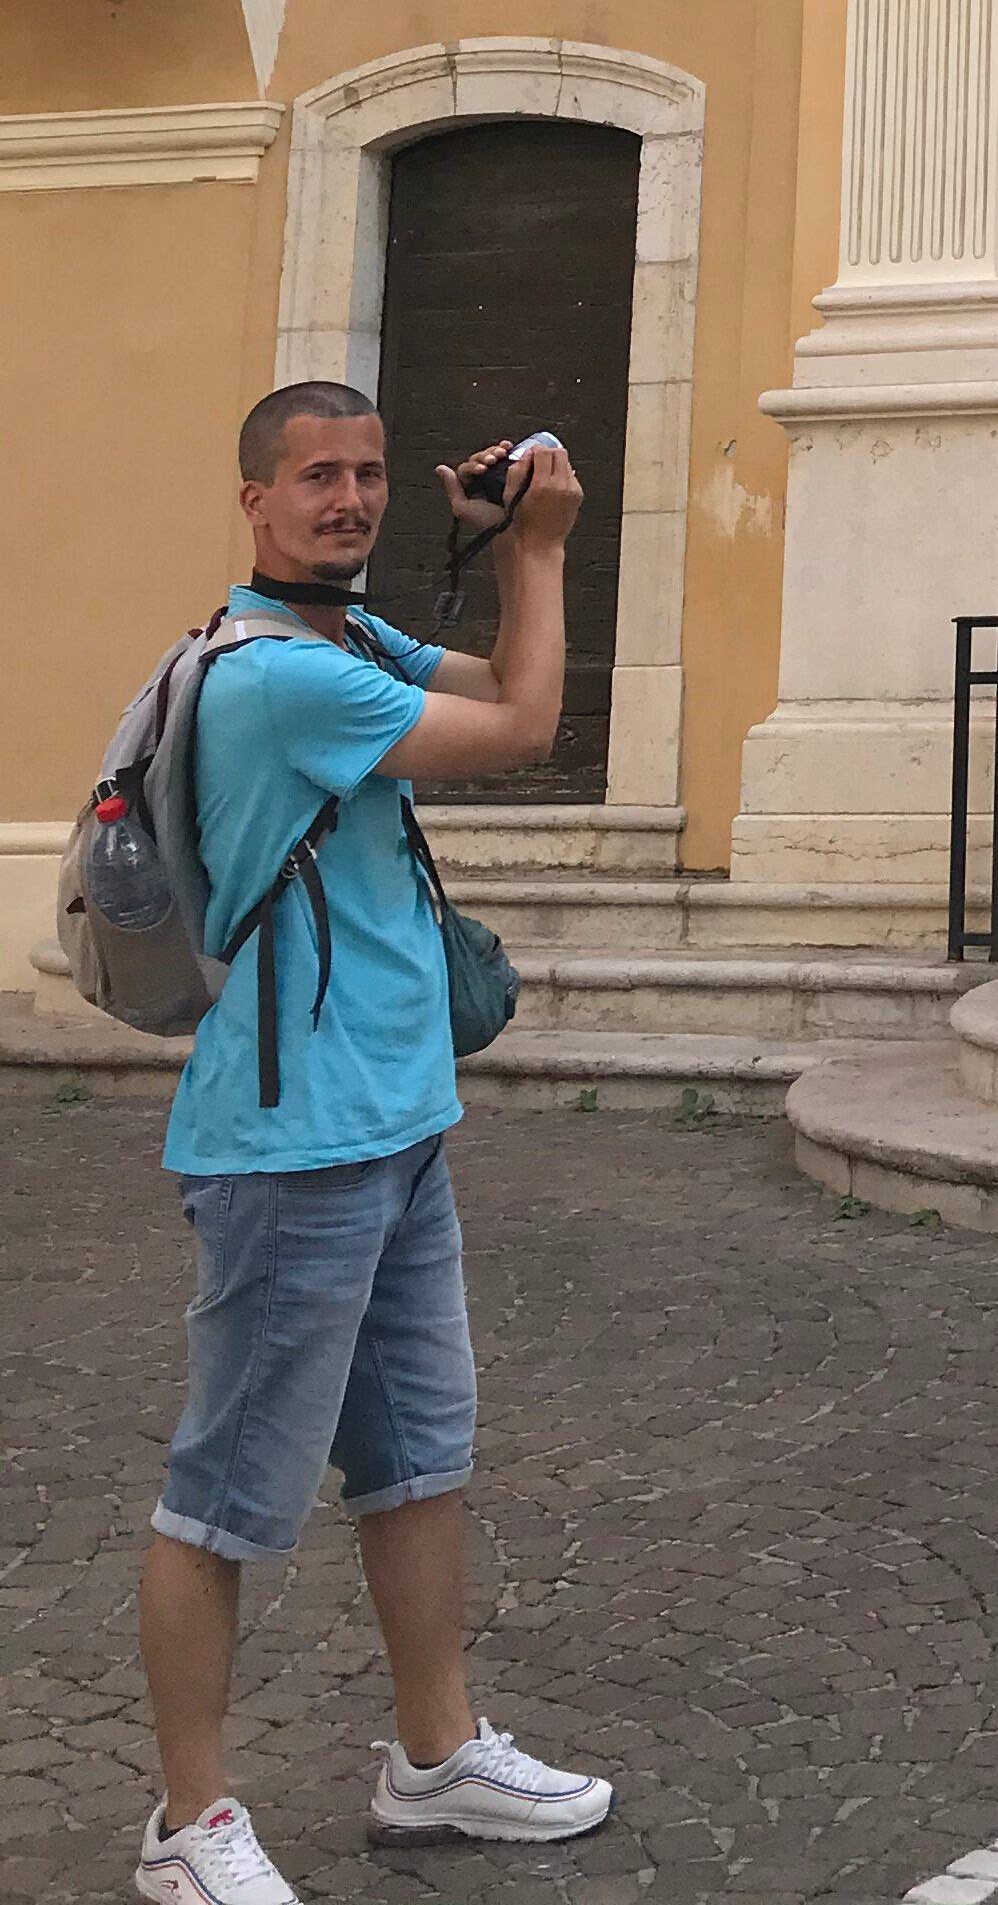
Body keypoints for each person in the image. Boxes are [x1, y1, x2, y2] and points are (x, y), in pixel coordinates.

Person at [133, 383, 613, 1905]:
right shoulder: (279, 679)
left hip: (394, 1118)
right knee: (225, 1495)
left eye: (371, 475)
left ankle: (435, 1757)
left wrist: (501, 555)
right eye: (317, 477)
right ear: (254, 501)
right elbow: (530, 727)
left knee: (416, 1462)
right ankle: (187, 1824)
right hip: (293, 1144)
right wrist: (545, 542)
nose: (349, 498)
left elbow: (490, 675)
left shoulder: (342, 640)